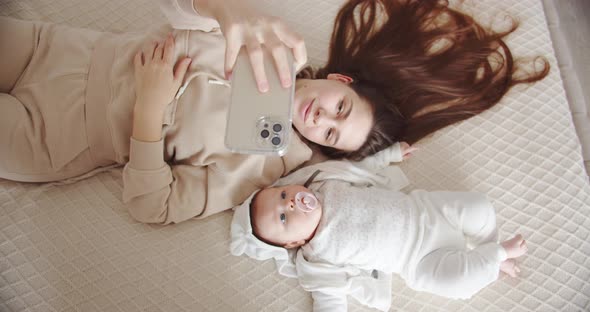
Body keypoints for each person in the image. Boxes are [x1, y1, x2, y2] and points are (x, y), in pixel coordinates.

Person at [0, 0, 549, 224]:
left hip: (52, 137)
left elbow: (154, 205)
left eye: (333, 133)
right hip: (55, 49)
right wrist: (229, 8)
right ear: (340, 79)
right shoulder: (268, 44)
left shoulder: (261, 166)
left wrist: (149, 109)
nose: (321, 118)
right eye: (340, 106)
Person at [231, 143, 528, 311]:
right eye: (283, 218)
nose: (291, 204)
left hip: (427, 212)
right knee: (457, 285)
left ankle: (489, 245)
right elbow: (328, 297)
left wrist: (388, 156)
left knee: (479, 207)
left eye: (283, 195)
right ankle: (494, 257)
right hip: (418, 260)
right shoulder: (316, 256)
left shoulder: (326, 183)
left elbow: (359, 169)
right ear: (293, 244)